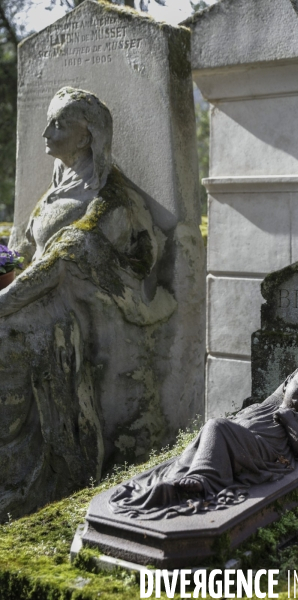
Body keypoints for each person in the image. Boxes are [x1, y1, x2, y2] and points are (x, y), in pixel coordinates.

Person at [0, 87, 175, 521]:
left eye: (59, 123)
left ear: (85, 138)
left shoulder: (109, 200)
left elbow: (63, 258)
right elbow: (24, 251)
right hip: (32, 300)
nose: (46, 131)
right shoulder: (57, 189)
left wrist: (4, 300)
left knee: (7, 343)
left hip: (69, 311)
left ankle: (32, 479)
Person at [109, 365, 298, 519]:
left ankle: (204, 480)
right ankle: (178, 476)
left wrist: (289, 422)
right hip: (233, 446)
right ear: (286, 384)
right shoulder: (258, 406)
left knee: (217, 426)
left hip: (264, 455)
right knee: (210, 431)